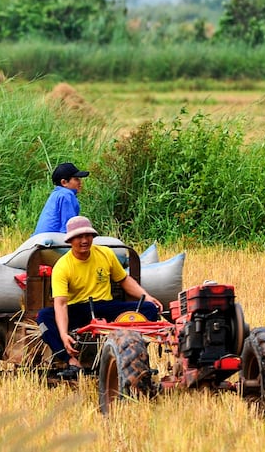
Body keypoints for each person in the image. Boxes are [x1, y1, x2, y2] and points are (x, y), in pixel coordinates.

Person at [36, 215, 163, 379]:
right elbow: (60, 304)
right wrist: (63, 334)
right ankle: (71, 362)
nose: (84, 240)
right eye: (79, 237)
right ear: (70, 241)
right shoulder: (62, 266)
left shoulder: (105, 254)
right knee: (44, 317)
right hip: (79, 310)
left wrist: (146, 297)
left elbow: (123, 279)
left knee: (150, 309)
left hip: (105, 307)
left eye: (87, 236)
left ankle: (135, 355)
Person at [33, 162, 89, 235]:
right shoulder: (66, 195)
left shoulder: (56, 194)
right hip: (52, 242)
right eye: (76, 179)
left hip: (39, 239)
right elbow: (69, 228)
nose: (80, 182)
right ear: (64, 182)